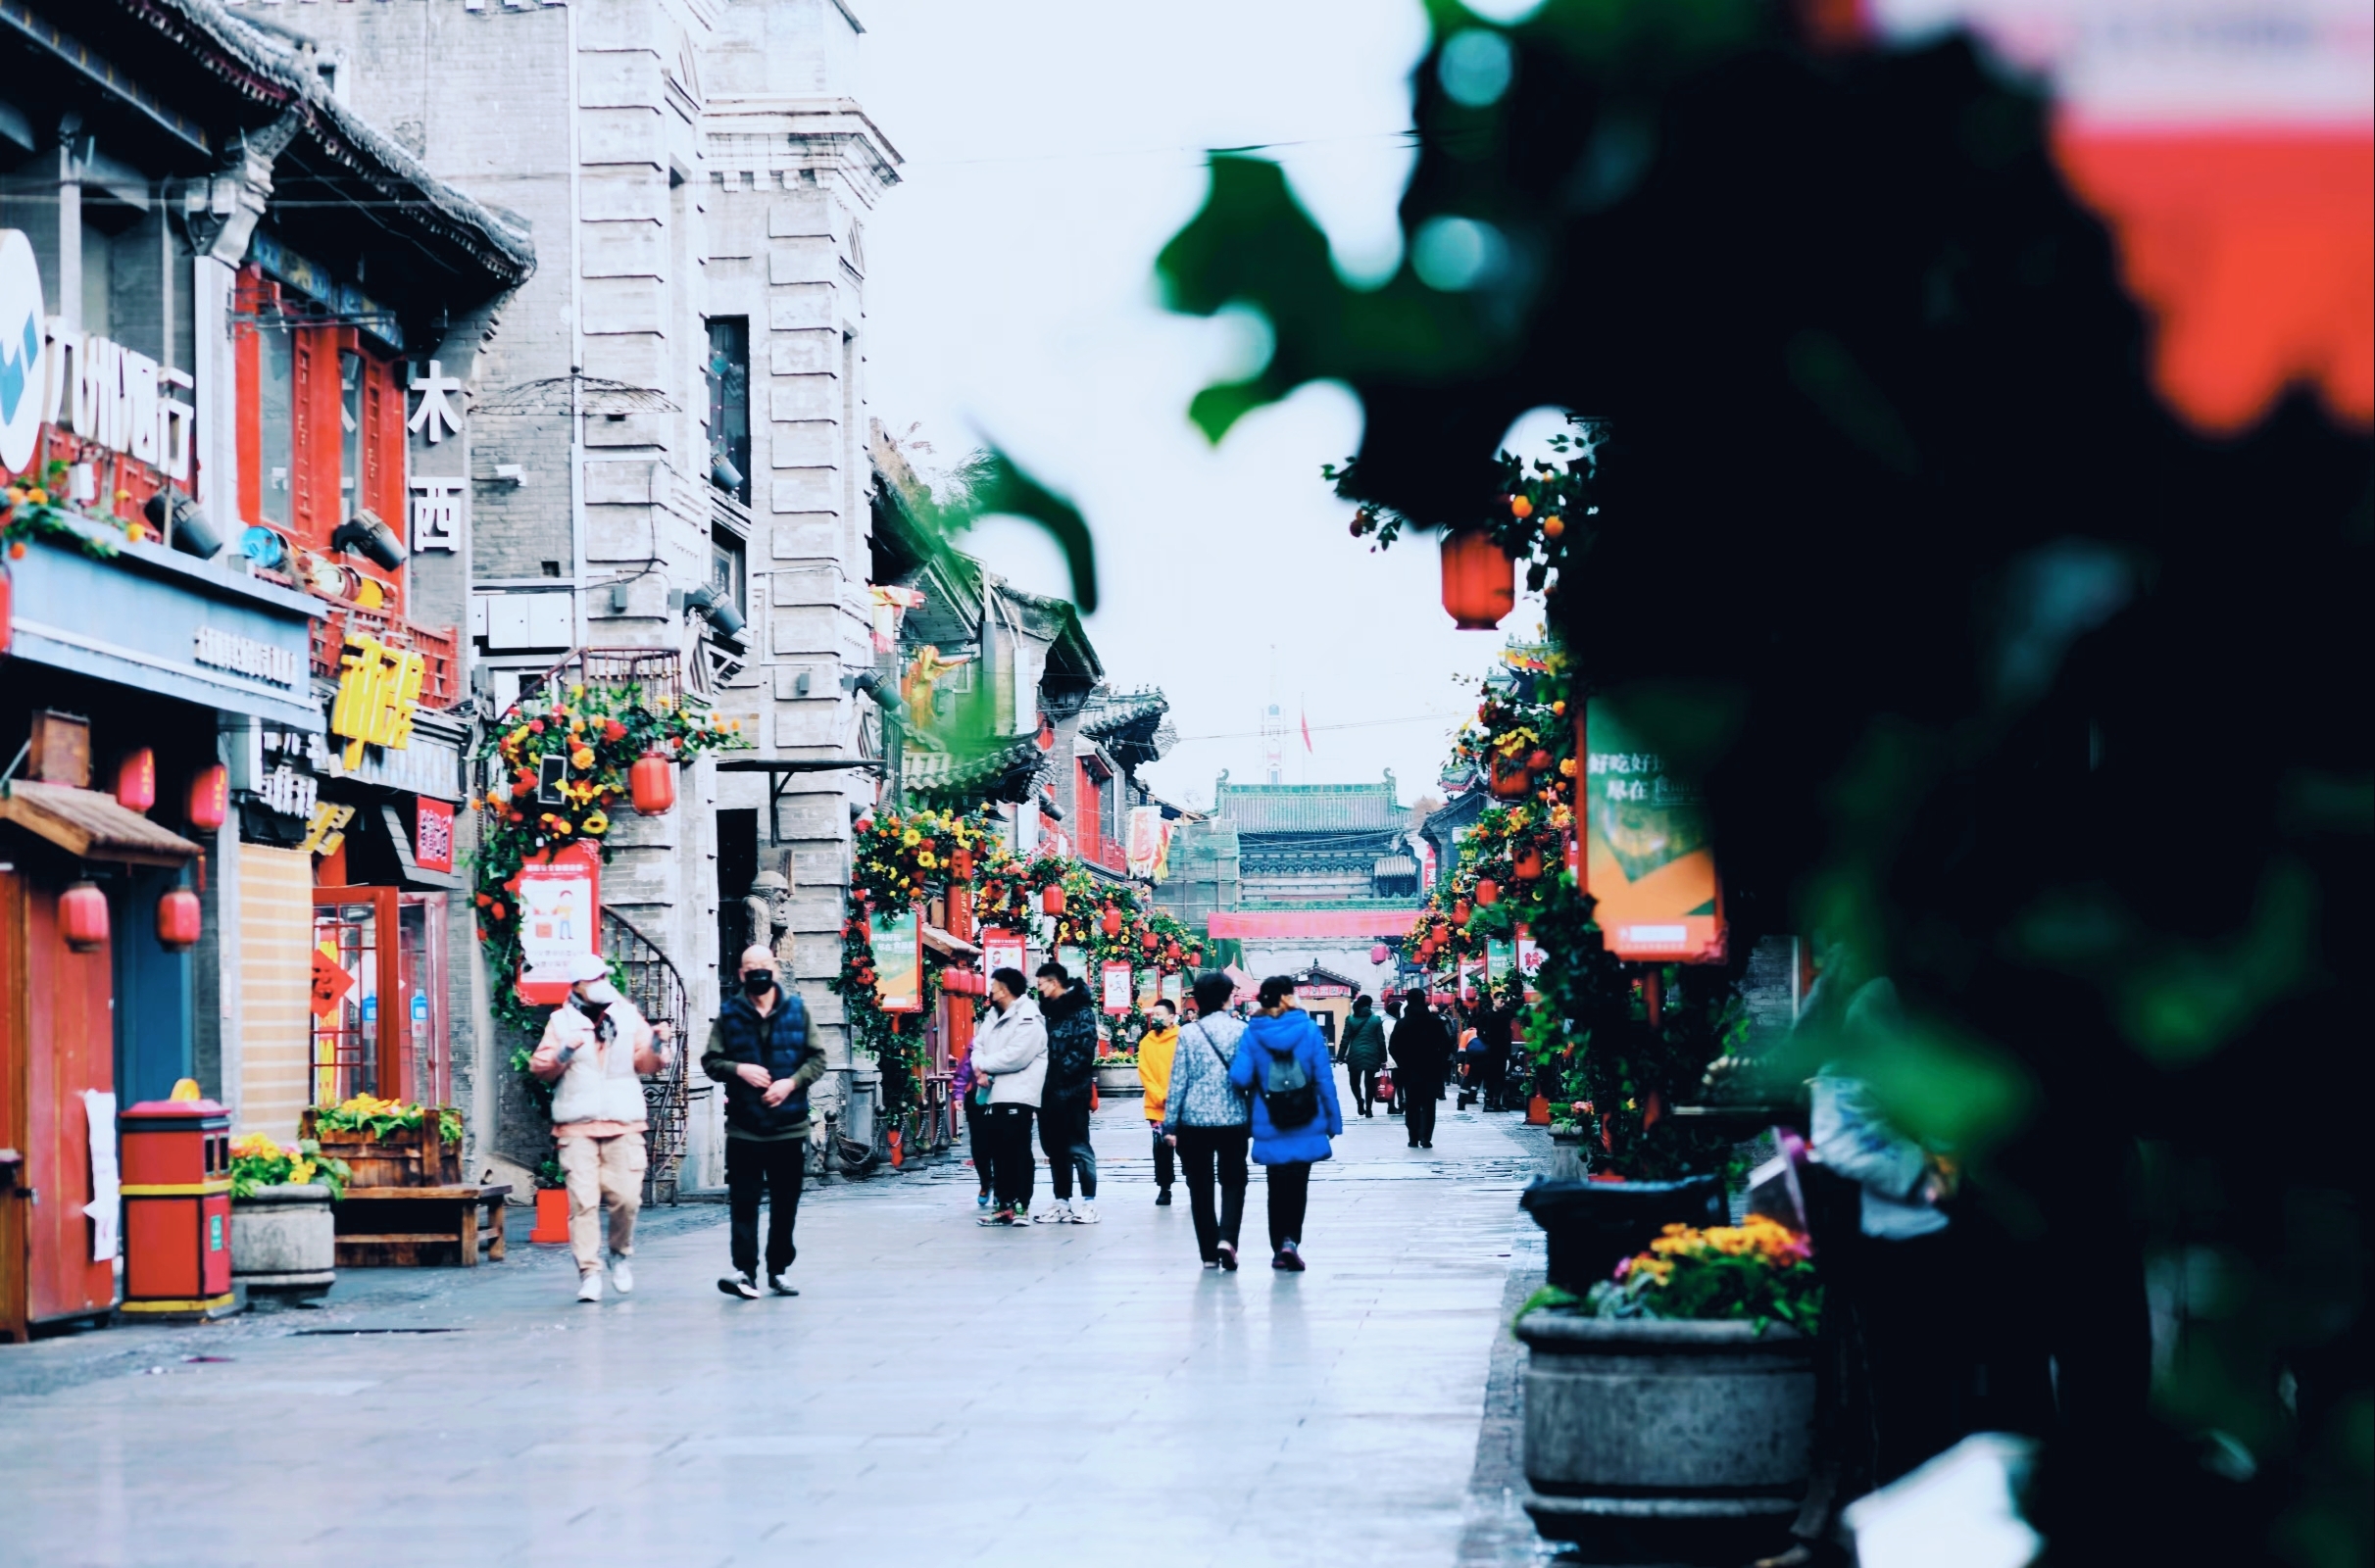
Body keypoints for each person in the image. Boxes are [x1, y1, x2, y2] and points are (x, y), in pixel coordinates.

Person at [529, 950, 668, 1303]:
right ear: (577, 985)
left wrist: (656, 1045)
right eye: (594, 980)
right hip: (577, 1123)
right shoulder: (561, 1021)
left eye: (604, 978)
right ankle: (589, 1271)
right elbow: (541, 1067)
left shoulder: (625, 1015)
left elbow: (646, 1062)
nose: (602, 985)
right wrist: (563, 1053)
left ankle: (619, 1253)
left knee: (627, 1198)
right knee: (584, 1203)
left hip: (623, 1120)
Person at [702, 944, 825, 1299]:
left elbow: (817, 1059)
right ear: (741, 974)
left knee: (786, 1203)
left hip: (789, 1127)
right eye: (750, 966)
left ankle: (779, 1270)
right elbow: (711, 1061)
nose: (757, 971)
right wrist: (738, 1069)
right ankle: (745, 1272)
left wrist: (791, 1082)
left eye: (763, 964)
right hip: (745, 1128)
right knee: (744, 1203)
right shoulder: (730, 1014)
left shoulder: (797, 1011)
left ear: (774, 968)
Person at [1229, 974, 1344, 1271]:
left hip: (1270, 1119)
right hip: (1307, 1117)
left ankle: (1279, 1246)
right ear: (1289, 997)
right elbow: (1323, 1078)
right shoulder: (1307, 1028)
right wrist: (1333, 1120)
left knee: (1275, 1186)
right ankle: (1291, 1241)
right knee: (1298, 1185)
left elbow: (1240, 1077)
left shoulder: (1252, 1032)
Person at [1162, 972, 1252, 1268]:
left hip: (1194, 1121)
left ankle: (1208, 1254)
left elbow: (1178, 1081)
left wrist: (1170, 1124)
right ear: (1227, 998)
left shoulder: (1188, 1033)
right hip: (1233, 1118)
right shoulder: (1242, 1031)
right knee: (1234, 1180)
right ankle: (1228, 1238)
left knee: (1199, 1185)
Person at [969, 967, 1046, 1226]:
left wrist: (985, 1066)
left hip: (1018, 1094)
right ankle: (1003, 1205)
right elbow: (977, 1045)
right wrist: (979, 1067)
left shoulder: (1029, 1018)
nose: (990, 990)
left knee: (1018, 1150)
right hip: (993, 1094)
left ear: (1004, 989)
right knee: (998, 1151)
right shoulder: (992, 1016)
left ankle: (1021, 1205)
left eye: (993, 985)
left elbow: (1017, 1055)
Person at [1033, 961, 1100, 1224]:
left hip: (1073, 1091)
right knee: (1055, 1149)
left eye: (1041, 984)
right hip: (1047, 1092)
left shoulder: (1080, 1011)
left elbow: (1084, 1050)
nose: (1039, 990)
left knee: (1078, 1145)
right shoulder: (1045, 1013)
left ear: (1053, 982)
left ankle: (1089, 1203)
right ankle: (1062, 1201)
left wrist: (1058, 1076)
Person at [1389, 994, 1454, 1150]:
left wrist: (1403, 1063)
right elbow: (1447, 1045)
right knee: (1429, 1104)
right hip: (1431, 1070)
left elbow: (1393, 1047)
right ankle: (1426, 1138)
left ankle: (1413, 1137)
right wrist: (1440, 1062)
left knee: (1411, 1103)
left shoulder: (1402, 1023)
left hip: (1409, 1070)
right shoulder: (1435, 1022)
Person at [1137, 998, 1180, 1205]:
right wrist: (1160, 1096)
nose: (1155, 1018)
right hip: (1157, 1107)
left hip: (1182, 1106)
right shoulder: (1146, 1042)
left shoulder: (1182, 1038)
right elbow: (1145, 1072)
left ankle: (1193, 1180)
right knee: (1161, 1150)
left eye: (1159, 1014)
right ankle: (1165, 1187)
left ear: (1172, 1017)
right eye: (1153, 1014)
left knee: (1188, 1148)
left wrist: (1175, 1096)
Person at [1341, 994, 1388, 1117]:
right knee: (1370, 1083)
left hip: (1355, 1054)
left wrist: (1340, 1056)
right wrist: (1383, 1058)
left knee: (1354, 1082)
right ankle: (1369, 1109)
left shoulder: (1350, 1019)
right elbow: (1381, 1040)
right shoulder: (1375, 1019)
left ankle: (1359, 1100)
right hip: (1372, 1054)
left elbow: (1345, 1039)